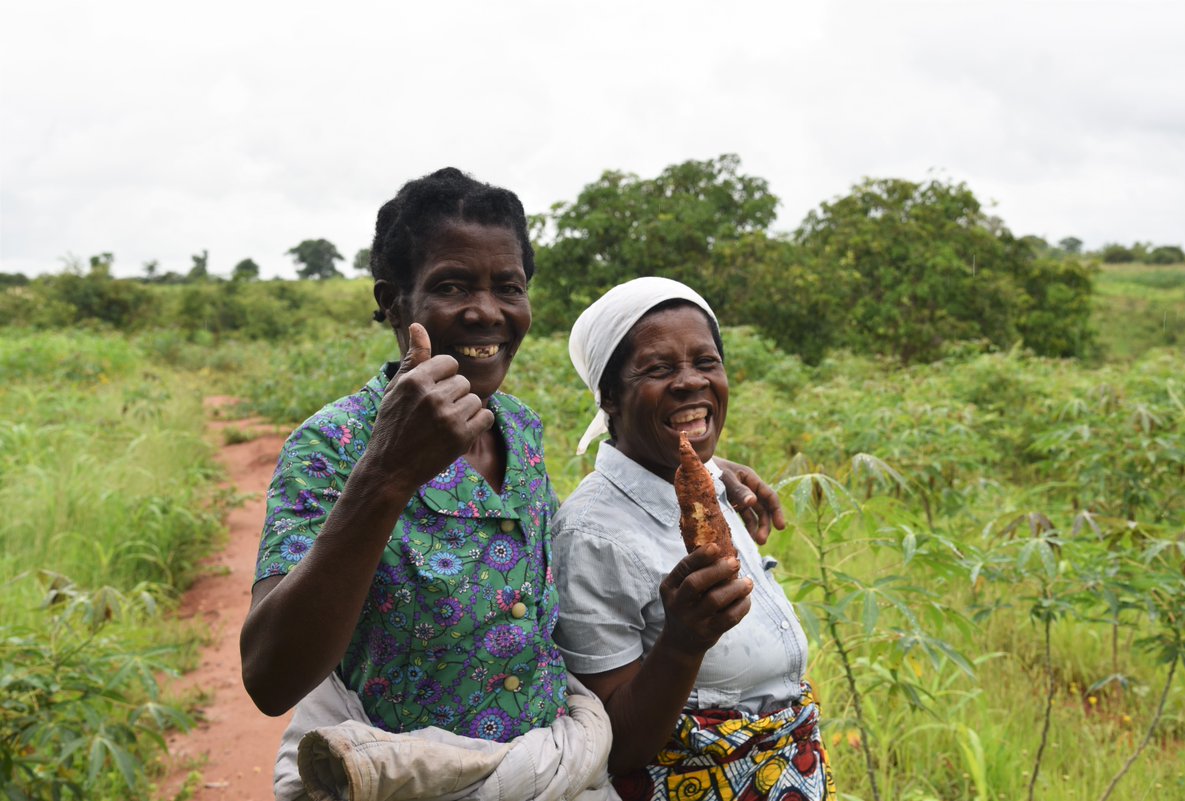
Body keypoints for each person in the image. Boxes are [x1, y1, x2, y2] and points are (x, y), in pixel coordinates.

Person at [238, 170, 784, 799]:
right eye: (451, 286)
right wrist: (388, 472)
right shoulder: (332, 446)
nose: (487, 311)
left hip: (549, 771)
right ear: (393, 301)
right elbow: (270, 678)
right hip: (418, 779)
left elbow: (546, 550)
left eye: (509, 287)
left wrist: (703, 472)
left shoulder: (518, 427)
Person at [552, 277, 836, 801]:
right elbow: (615, 749)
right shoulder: (590, 536)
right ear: (609, 396)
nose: (690, 382)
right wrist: (682, 643)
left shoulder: (708, 484)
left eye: (706, 362)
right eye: (658, 369)